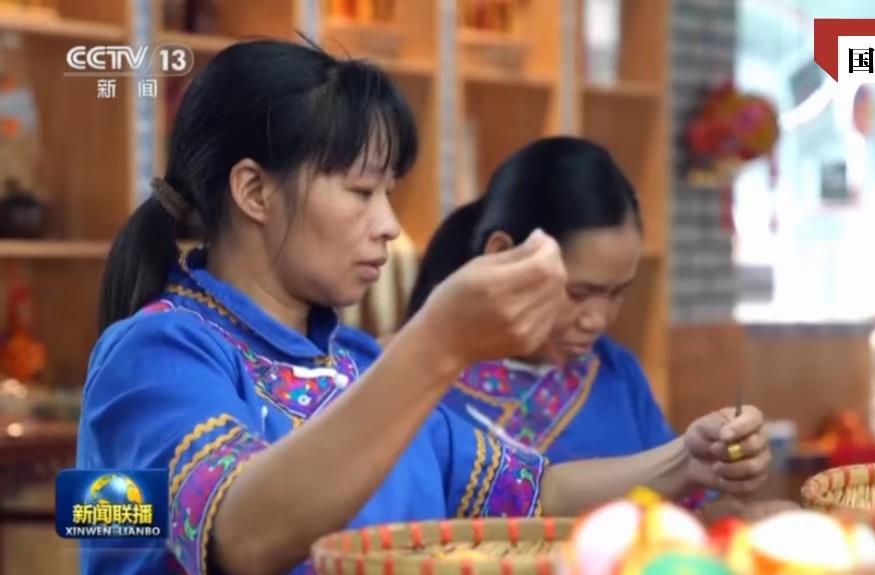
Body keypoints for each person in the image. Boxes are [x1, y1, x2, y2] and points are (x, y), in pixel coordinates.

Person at [77, 41, 771, 575]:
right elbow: (242, 534)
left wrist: (686, 460)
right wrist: (438, 342)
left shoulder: (355, 364)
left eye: (389, 192)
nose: (387, 224)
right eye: (360, 192)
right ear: (255, 192)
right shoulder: (154, 355)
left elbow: (533, 495)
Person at [406, 137, 751, 469]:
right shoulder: (419, 380)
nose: (597, 320)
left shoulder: (616, 370)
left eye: (617, 293)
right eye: (578, 293)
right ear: (501, 253)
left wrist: (727, 470)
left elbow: (684, 499)